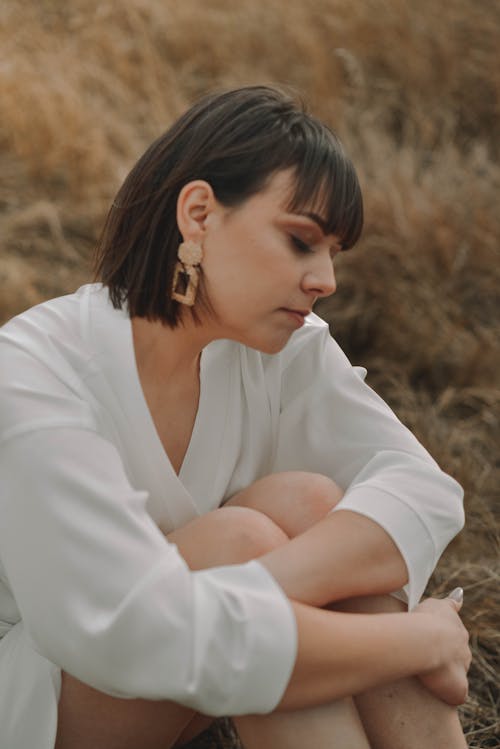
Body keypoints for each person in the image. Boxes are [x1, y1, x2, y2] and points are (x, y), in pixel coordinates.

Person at [0, 85, 470, 749]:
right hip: (47, 696)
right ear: (198, 214)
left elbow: (424, 491)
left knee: (307, 503)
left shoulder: (278, 348)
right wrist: (416, 637)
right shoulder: (36, 369)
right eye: (301, 240)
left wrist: (253, 591)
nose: (325, 279)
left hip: (194, 647)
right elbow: (126, 633)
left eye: (333, 251)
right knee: (239, 539)